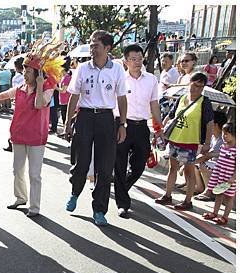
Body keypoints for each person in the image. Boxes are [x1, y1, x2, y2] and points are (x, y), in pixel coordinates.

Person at [0, 40, 63, 217]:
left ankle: (34, 207)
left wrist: (39, 85)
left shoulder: (48, 89)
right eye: (24, 70)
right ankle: (20, 197)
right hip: (18, 135)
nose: (25, 73)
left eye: (28, 70)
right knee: (17, 170)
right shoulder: (21, 87)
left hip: (36, 137)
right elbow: (5, 94)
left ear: (38, 73)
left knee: (34, 174)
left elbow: (39, 105)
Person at [64, 30, 128, 226]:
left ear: (107, 48)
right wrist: (68, 123)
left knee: (105, 166)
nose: (92, 48)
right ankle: (75, 192)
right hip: (84, 117)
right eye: (91, 44)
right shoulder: (83, 68)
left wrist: (122, 124)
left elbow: (122, 98)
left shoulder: (116, 69)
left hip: (107, 119)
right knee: (81, 162)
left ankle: (99, 210)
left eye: (96, 45)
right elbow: (74, 96)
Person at [113, 44, 163, 218]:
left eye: (140, 59)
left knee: (139, 165)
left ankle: (122, 188)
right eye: (133, 59)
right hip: (121, 125)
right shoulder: (119, 79)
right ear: (126, 61)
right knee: (119, 164)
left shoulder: (151, 80)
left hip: (142, 126)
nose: (137, 62)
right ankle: (122, 203)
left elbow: (154, 104)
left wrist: (160, 126)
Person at [155, 72, 214, 210]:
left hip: (190, 142)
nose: (196, 89)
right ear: (189, 83)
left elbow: (209, 124)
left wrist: (206, 143)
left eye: (200, 86)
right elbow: (170, 116)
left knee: (189, 171)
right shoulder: (181, 98)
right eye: (194, 85)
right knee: (172, 168)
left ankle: (188, 201)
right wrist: (162, 130)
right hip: (175, 139)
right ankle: (168, 195)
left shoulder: (204, 102)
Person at [202, 123, 235, 226]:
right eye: (223, 134)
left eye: (227, 134)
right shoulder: (223, 146)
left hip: (230, 177)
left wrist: (233, 178)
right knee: (218, 194)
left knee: (229, 197)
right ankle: (214, 213)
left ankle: (225, 217)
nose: (224, 136)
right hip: (220, 174)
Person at [194, 111, 228, 200]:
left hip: (222, 168)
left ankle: (209, 191)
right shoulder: (213, 137)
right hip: (214, 163)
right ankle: (199, 187)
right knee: (196, 164)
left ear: (215, 125)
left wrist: (189, 162)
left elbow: (207, 155)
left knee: (202, 164)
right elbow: (205, 152)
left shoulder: (221, 139)